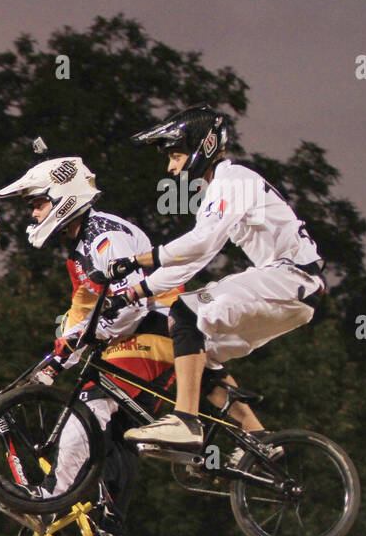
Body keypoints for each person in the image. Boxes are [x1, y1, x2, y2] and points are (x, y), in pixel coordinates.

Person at [104, 105, 324, 454]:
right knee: (200, 355)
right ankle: (258, 442)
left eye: (175, 155)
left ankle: (186, 422)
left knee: (185, 313)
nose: (171, 167)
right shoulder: (222, 188)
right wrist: (133, 292)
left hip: (290, 278)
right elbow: (194, 260)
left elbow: (201, 243)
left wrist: (136, 260)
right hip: (294, 292)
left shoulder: (233, 180)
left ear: (201, 146)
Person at [0, 155, 181, 528]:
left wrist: (62, 355)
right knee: (115, 432)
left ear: (63, 195)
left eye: (38, 204)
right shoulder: (80, 245)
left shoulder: (104, 239)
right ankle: (108, 529)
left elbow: (125, 308)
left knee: (89, 402)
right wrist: (57, 354)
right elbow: (83, 313)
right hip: (146, 333)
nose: (32, 215)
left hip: (157, 327)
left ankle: (47, 499)